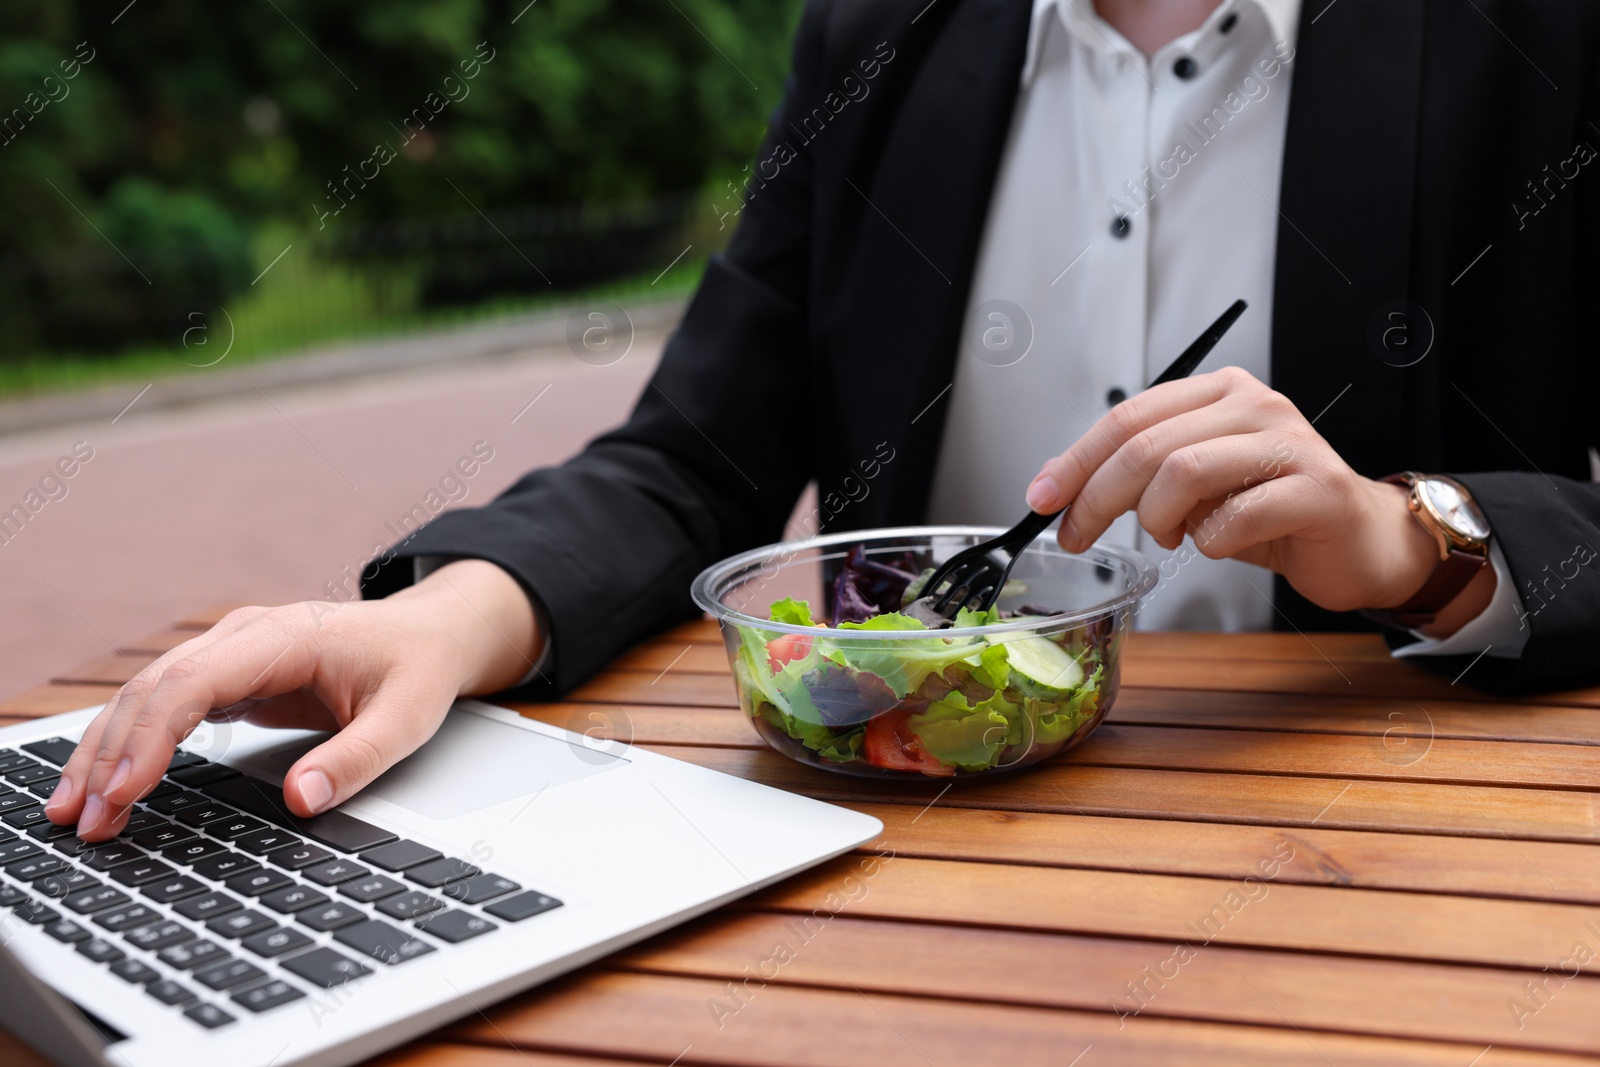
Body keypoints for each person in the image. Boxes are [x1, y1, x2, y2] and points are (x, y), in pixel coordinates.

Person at [49, 0, 1600, 842]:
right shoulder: (874, 35)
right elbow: (696, 456)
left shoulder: (1539, 45)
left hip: (1380, 860)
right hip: (895, 830)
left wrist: (1423, 543)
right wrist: (445, 621)